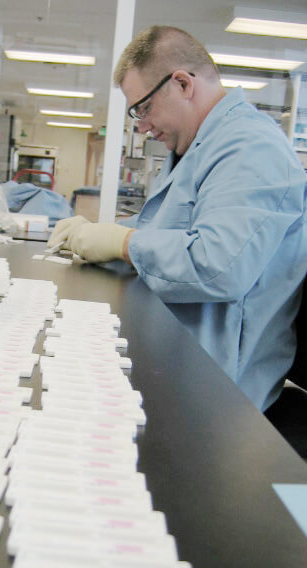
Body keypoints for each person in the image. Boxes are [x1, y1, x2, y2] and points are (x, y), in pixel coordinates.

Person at [47, 25, 307, 412]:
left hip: (216, 395)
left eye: (144, 108)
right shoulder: (203, 144)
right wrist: (109, 232)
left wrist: (123, 242)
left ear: (183, 83)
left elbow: (218, 264)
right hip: (177, 357)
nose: (142, 126)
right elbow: (172, 229)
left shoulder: (252, 148)